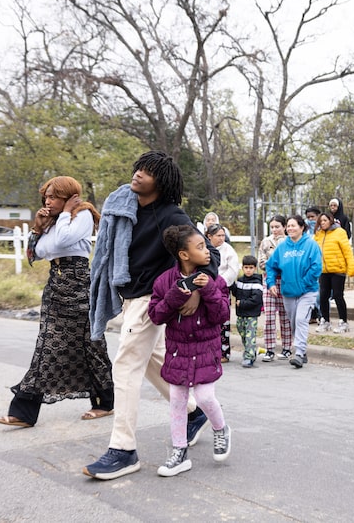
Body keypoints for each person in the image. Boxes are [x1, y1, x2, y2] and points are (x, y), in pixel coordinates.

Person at [84, 151, 219, 480]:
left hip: (152, 299)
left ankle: (124, 450)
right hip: (130, 297)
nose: (138, 175)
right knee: (149, 361)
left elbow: (209, 253)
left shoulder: (171, 216)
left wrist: (198, 289)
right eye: (138, 169)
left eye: (147, 172)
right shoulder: (127, 208)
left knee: (126, 364)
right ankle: (192, 414)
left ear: (162, 181)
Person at [0, 176, 114, 429]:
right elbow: (36, 253)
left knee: (91, 344)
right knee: (47, 345)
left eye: (53, 197)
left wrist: (64, 217)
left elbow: (60, 243)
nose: (47, 201)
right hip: (56, 285)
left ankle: (104, 402)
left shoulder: (81, 215)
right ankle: (24, 411)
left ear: (68, 198)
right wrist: (39, 227)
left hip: (78, 283)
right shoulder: (53, 221)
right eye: (46, 197)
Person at [148, 225, 231, 477]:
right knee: (177, 402)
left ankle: (221, 429)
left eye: (206, 246)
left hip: (206, 351)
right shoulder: (164, 282)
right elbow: (156, 316)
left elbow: (223, 315)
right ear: (183, 254)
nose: (208, 252)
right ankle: (179, 452)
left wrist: (206, 290)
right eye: (201, 247)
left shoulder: (214, 280)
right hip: (178, 354)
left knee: (205, 398)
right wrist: (176, 295)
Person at [266, 215, 323, 369]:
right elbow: (271, 266)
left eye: (293, 226)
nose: (290, 228)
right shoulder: (283, 246)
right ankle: (302, 351)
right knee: (293, 322)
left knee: (301, 320)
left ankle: (298, 352)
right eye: (288, 226)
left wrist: (303, 283)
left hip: (307, 291)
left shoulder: (311, 245)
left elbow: (316, 267)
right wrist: (270, 282)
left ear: (302, 227)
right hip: (288, 292)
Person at [314, 212, 354, 333]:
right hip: (323, 270)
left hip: (338, 269)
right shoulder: (318, 234)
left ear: (331, 220)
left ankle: (343, 321)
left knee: (338, 295)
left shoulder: (339, 232)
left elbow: (347, 251)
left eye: (325, 220)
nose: (323, 223)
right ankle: (325, 320)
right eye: (320, 221)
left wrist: (351, 268)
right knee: (323, 296)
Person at [258, 215, 293, 362]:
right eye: (272, 227)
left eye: (277, 226)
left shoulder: (290, 241)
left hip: (285, 282)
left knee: (285, 317)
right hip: (269, 281)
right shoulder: (266, 242)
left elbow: (291, 262)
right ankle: (270, 349)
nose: (275, 230)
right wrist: (271, 265)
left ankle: (286, 348)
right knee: (269, 317)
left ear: (284, 227)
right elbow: (261, 262)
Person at [206, 223, 239, 363]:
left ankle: (224, 352)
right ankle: (207, 352)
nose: (221, 238)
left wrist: (219, 282)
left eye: (223, 235)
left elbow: (233, 270)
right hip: (206, 288)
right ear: (209, 236)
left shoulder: (228, 250)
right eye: (218, 235)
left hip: (222, 289)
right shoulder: (204, 249)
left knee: (223, 321)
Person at [231, 255, 264, 368]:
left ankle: (249, 357)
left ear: (255, 268)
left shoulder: (257, 283)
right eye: (246, 267)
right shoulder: (240, 280)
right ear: (242, 268)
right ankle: (250, 351)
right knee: (242, 332)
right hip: (240, 313)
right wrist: (232, 284)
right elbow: (236, 293)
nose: (248, 270)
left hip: (251, 314)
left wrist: (242, 303)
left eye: (251, 267)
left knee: (250, 335)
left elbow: (256, 299)